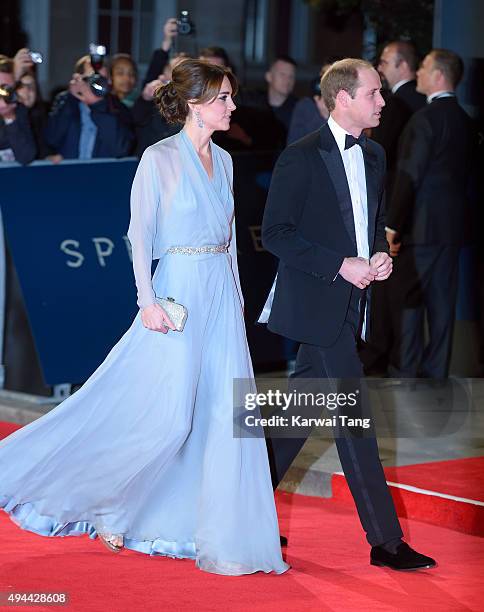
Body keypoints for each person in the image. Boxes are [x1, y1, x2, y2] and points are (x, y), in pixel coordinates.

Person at [0, 58, 289, 577]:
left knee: (223, 413)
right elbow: (140, 236)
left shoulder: (224, 161)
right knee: (167, 413)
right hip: (175, 292)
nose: (232, 106)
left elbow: (228, 242)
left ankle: (207, 523)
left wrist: (240, 298)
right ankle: (111, 502)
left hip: (220, 295)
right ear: (197, 104)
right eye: (223, 98)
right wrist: (148, 301)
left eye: (230, 97)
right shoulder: (158, 159)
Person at [260, 58, 435, 571]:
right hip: (318, 302)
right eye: (374, 93)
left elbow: (373, 222)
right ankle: (386, 542)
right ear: (343, 98)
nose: (383, 102)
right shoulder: (300, 157)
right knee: (355, 420)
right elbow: (276, 234)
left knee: (294, 419)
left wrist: (379, 254)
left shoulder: (376, 154)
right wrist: (342, 265)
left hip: (354, 302)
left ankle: (233, 507)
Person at [386, 49, 475, 378]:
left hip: (421, 227)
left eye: (422, 68)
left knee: (409, 297)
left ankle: (408, 369)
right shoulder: (465, 121)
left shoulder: (424, 119)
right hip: (453, 228)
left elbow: (409, 175)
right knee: (442, 300)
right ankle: (436, 370)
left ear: (438, 75)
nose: (418, 74)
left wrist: (393, 224)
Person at [359, 41, 426, 375]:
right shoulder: (421, 101)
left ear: (402, 64)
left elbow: (387, 163)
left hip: (397, 211)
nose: (380, 66)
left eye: (384, 61)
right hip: (421, 216)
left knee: (389, 289)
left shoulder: (398, 105)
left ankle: (382, 355)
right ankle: (401, 359)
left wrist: (389, 220)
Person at [45, 55, 134, 160]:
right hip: (68, 173)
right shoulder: (66, 101)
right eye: (91, 79)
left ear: (109, 81)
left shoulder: (118, 107)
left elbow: (120, 149)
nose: (96, 85)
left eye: (101, 79)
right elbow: (51, 139)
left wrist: (97, 105)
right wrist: (71, 98)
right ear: (79, 79)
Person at [0, 55, 36, 164]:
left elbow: (26, 156)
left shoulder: (17, 110)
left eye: (8, 88)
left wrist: (9, 118)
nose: (5, 93)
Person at [287, 63, 330, 144]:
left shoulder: (350, 106)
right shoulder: (305, 106)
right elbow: (293, 146)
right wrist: (323, 117)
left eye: (332, 74)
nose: (326, 79)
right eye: (323, 73)